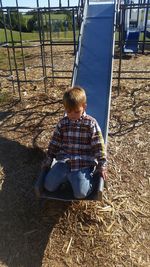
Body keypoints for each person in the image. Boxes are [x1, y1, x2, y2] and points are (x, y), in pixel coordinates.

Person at [42, 86, 107, 199]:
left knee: (80, 194)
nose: (72, 115)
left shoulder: (90, 124)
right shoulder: (63, 123)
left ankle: (90, 179)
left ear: (84, 107)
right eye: (68, 112)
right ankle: (68, 179)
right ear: (65, 109)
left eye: (77, 111)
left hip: (83, 164)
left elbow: (98, 146)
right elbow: (54, 143)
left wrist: (102, 165)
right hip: (64, 162)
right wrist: (49, 159)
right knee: (48, 187)